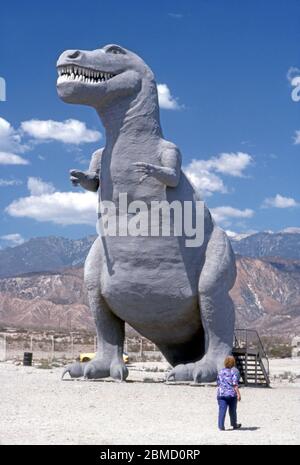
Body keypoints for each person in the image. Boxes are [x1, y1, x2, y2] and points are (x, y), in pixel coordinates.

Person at [217, 355, 241, 431]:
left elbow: (218, 382)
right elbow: (235, 384)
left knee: (222, 410)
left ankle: (221, 426)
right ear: (233, 363)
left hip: (221, 394)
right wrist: (238, 394)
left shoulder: (220, 372)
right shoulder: (233, 372)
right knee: (232, 411)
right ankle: (234, 424)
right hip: (231, 395)